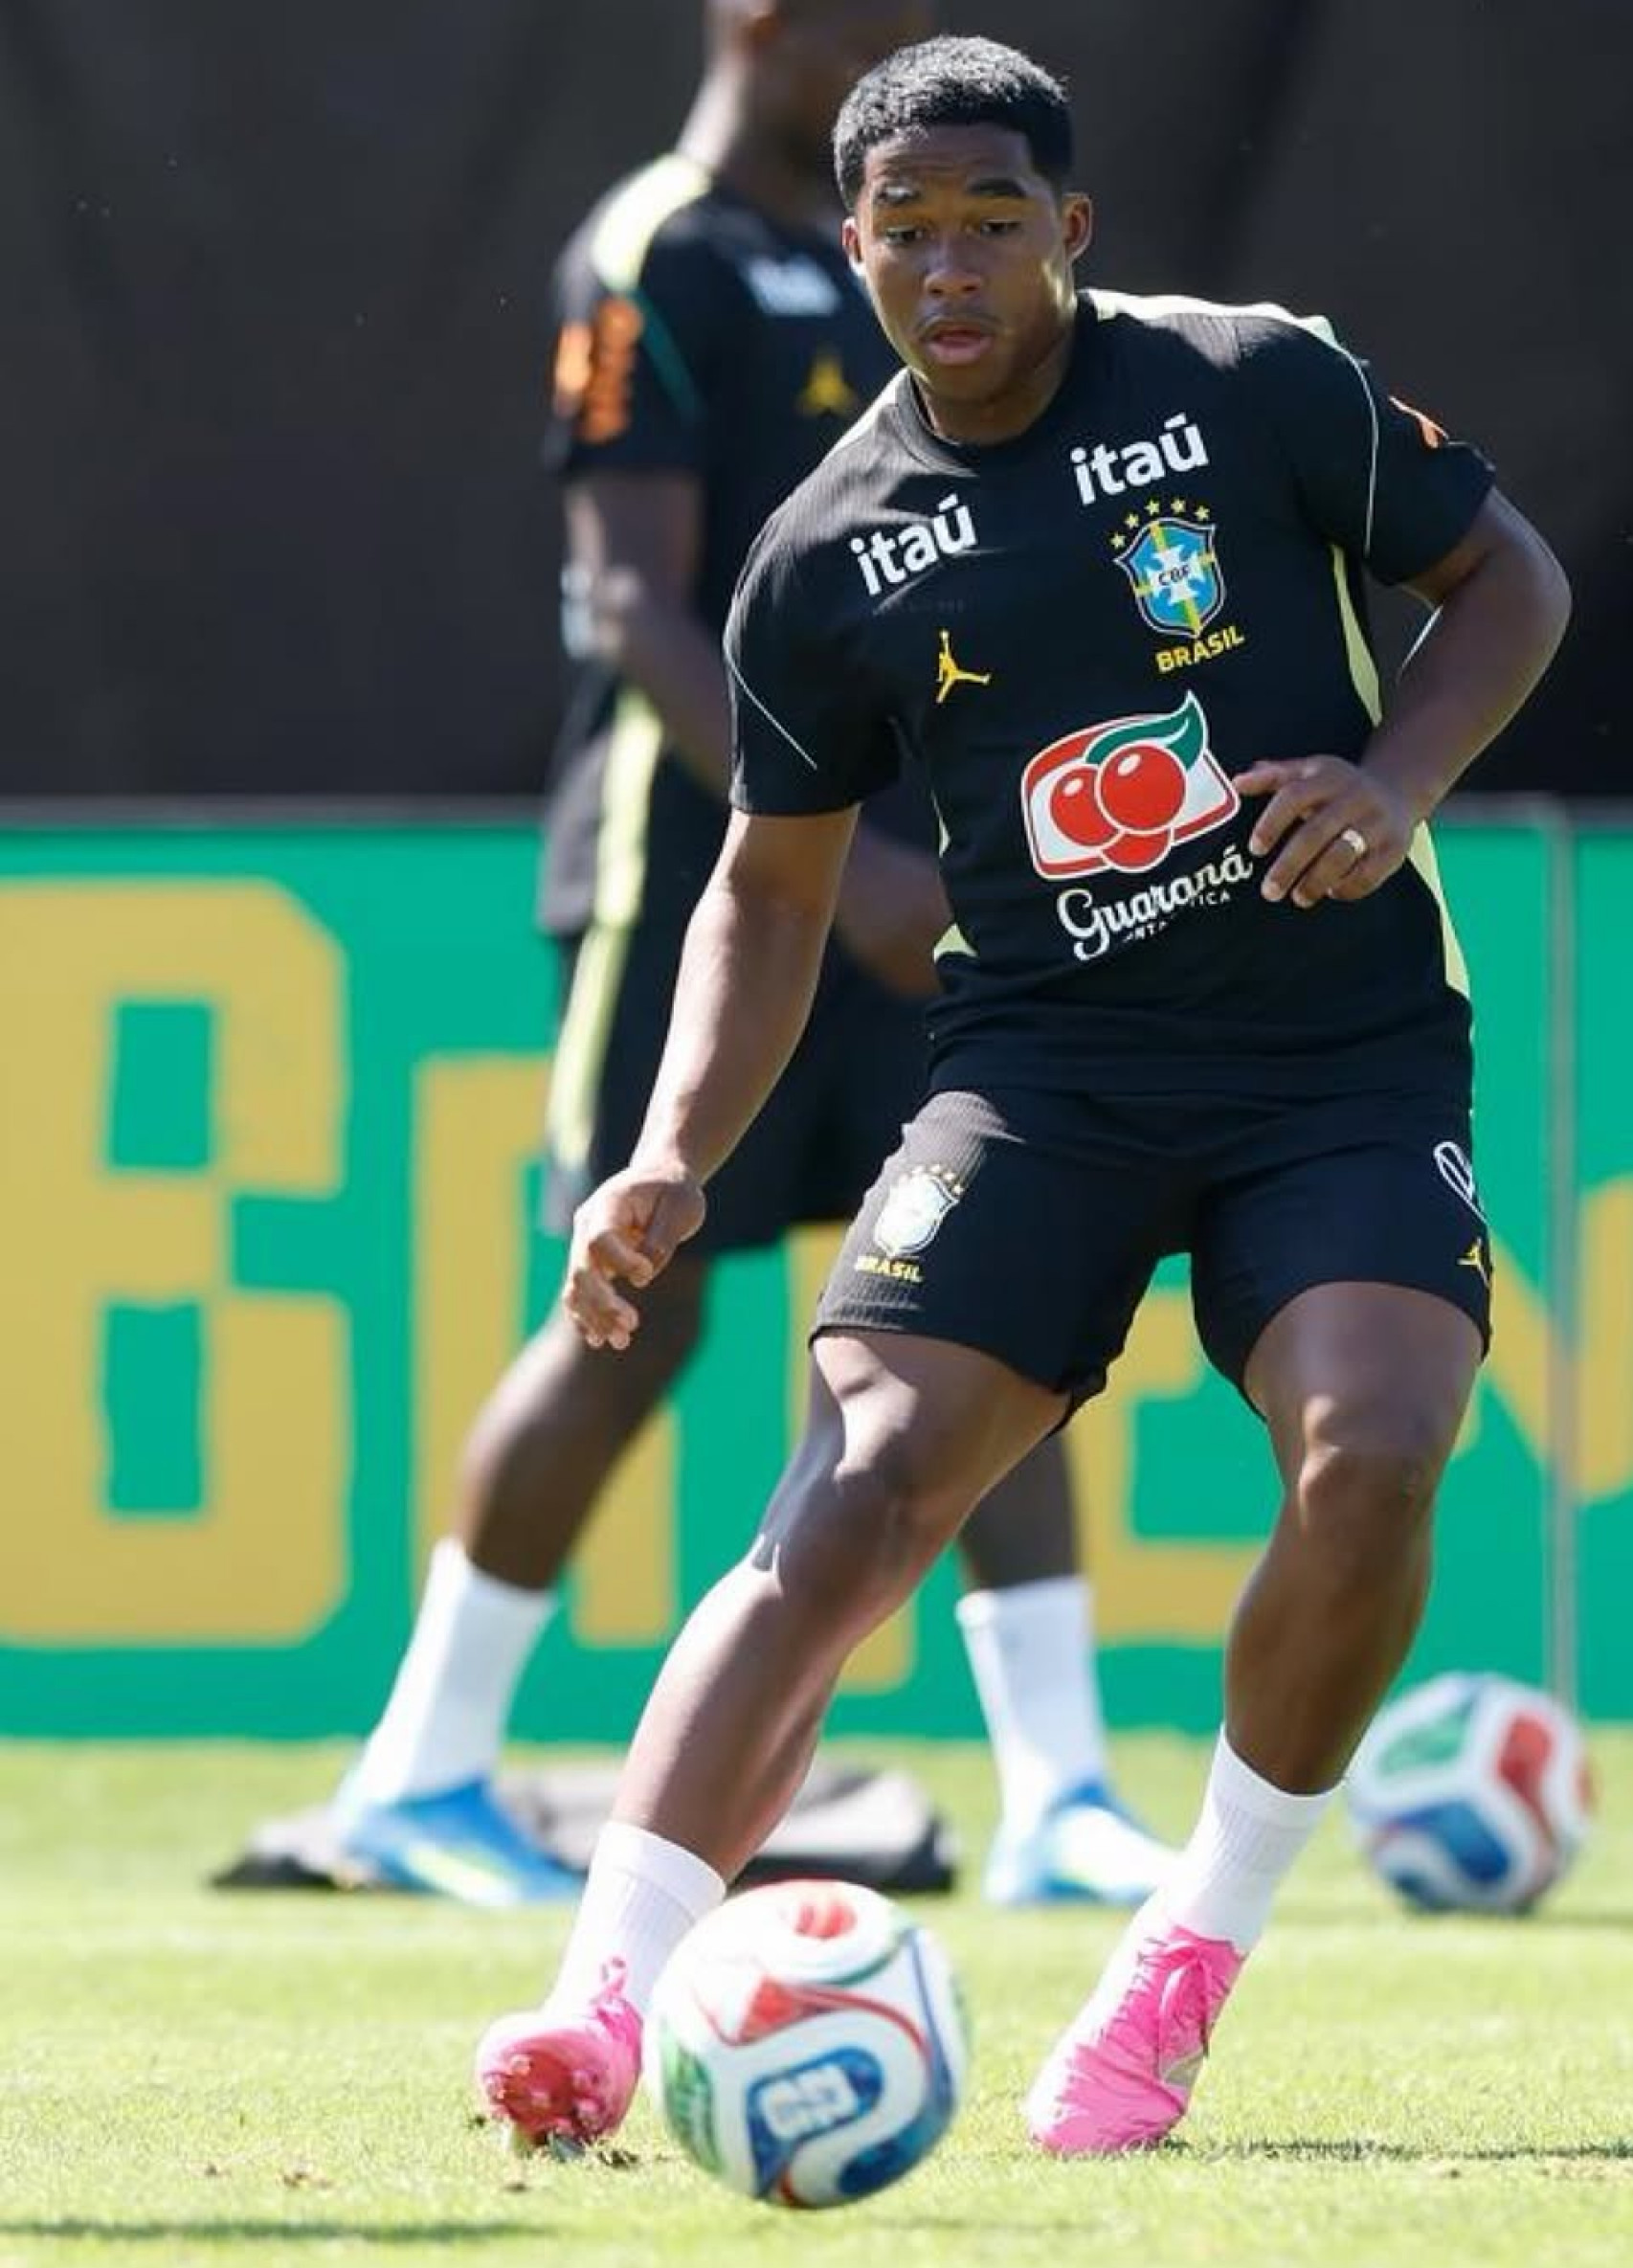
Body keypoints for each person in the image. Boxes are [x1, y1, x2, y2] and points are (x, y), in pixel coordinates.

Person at [471, 33, 1571, 2157]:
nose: (951, 266)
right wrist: (669, 1158)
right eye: (908, 229)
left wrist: (1393, 775)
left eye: (995, 222)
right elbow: (764, 894)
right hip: (1046, 1072)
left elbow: (1508, 576)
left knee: (1376, 1453)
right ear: (858, 244)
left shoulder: (1254, 381)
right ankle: (597, 2006)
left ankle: (1180, 1962)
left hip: (1333, 1054)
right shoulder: (822, 554)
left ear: (1072, 232)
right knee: (857, 1488)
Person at [331, 0, 1172, 1916]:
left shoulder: (860, 253)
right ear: (764, 23)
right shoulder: (660, 251)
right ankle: (420, 1767)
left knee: (977, 1286)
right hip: (692, 877)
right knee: (648, 1292)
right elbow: (632, 600)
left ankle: (1058, 1792)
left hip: (916, 878)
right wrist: (840, 858)